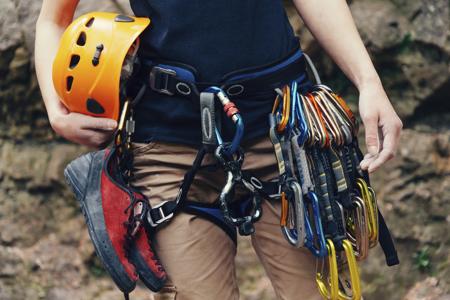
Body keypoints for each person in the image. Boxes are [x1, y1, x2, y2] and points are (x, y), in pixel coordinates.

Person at [35, 0, 403, 299]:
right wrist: (56, 109)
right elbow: (53, 20)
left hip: (283, 132)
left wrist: (369, 81)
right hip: (168, 146)